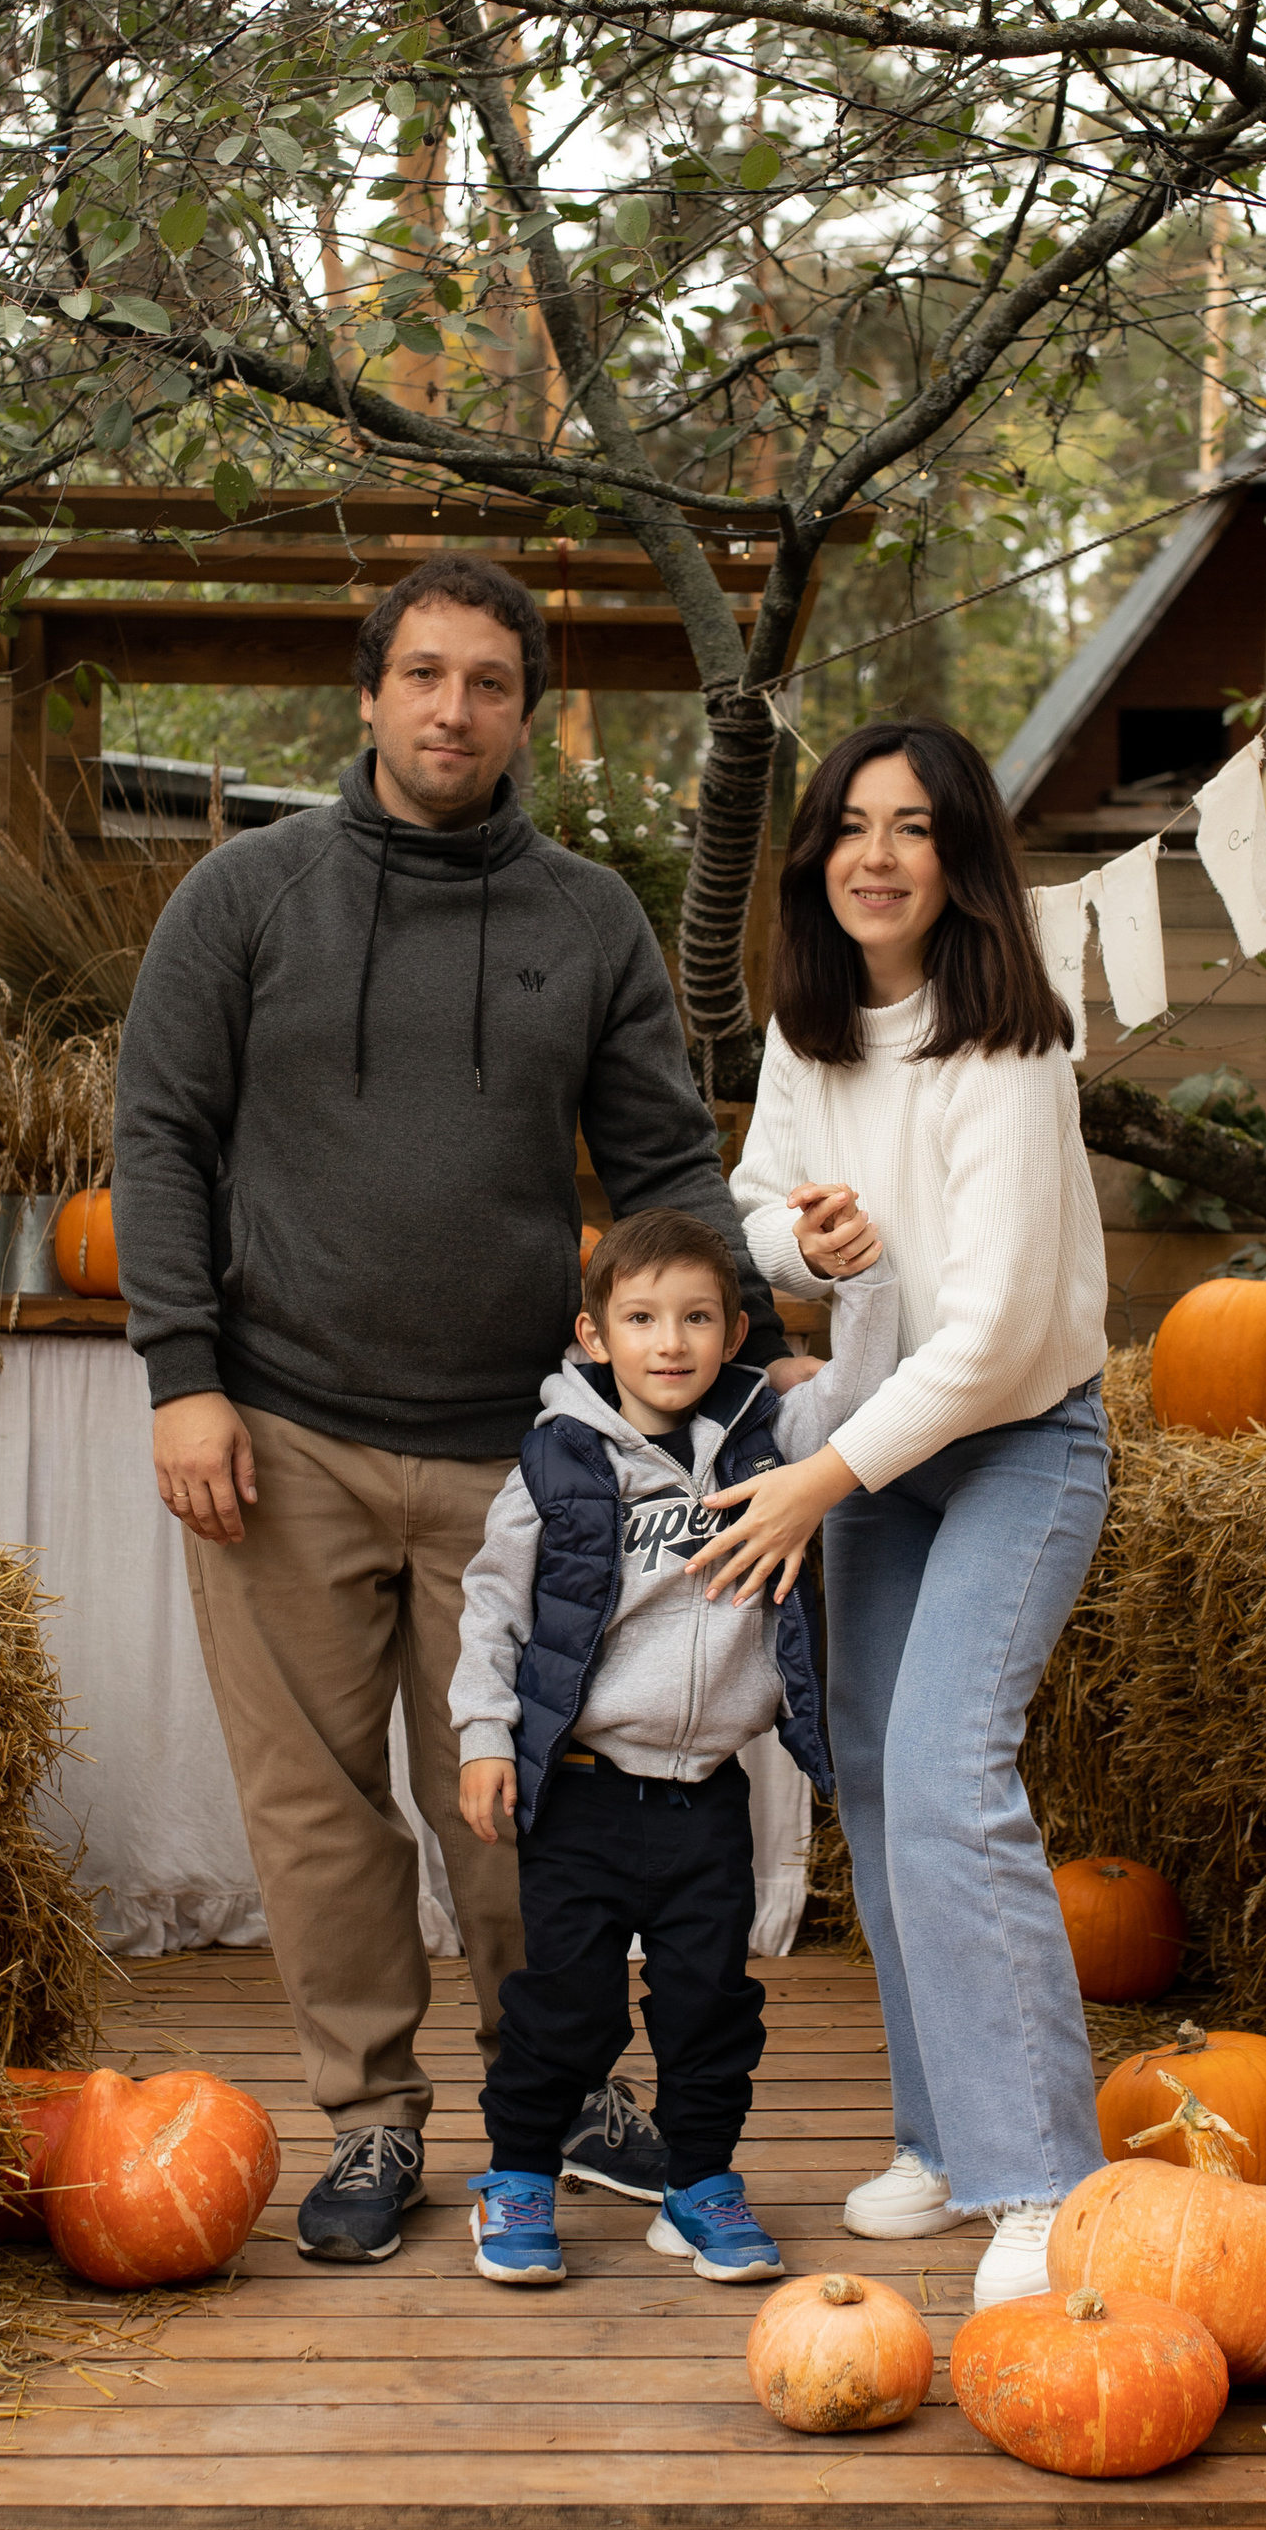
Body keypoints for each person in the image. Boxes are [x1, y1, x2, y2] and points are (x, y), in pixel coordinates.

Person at [111, 550, 791, 2263]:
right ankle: (372, 2124)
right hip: (283, 1433)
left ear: (525, 715)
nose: (452, 708)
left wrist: (760, 1351)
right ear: (368, 695)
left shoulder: (586, 921)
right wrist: (183, 1378)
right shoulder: (245, 900)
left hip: (526, 1450)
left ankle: (542, 2100)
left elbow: (661, 1162)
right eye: (423, 674)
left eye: (488, 682)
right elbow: (161, 1140)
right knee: (315, 1807)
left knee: (514, 1795)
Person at [702, 717, 1113, 2311]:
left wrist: (821, 1470)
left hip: (1014, 1444)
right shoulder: (809, 1032)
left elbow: (1003, 1327)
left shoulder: (1006, 1046)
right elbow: (756, 1207)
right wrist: (814, 1244)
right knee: (872, 1788)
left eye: (915, 828)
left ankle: (1046, 2180)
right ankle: (945, 2141)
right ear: (817, 856)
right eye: (852, 826)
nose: (878, 854)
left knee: (948, 1772)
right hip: (874, 1441)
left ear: (960, 861)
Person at [449, 1202, 898, 2289]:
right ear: (593, 1334)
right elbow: (492, 1608)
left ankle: (698, 2184)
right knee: (568, 2005)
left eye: (698, 1318)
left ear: (735, 1334)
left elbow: (864, 1398)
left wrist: (865, 1288)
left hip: (706, 1798)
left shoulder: (767, 1438)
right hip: (588, 1795)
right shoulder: (555, 1461)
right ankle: (515, 2176)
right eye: (642, 1318)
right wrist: (482, 1735)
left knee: (709, 2005)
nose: (671, 1342)